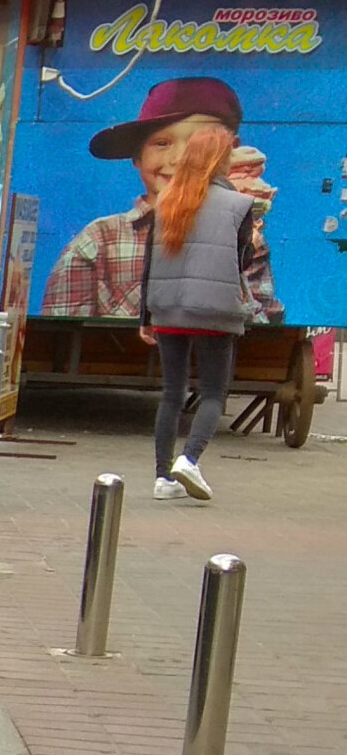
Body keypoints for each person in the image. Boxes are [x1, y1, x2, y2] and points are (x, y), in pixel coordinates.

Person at [42, 78, 281, 324]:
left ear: (228, 155)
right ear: (138, 157)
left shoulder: (243, 235)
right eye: (161, 143)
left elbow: (260, 331)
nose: (178, 159)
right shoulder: (99, 242)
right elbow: (62, 335)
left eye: (197, 146)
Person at [141, 124, 256, 504]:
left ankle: (162, 478)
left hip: (168, 309)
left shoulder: (166, 200)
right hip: (214, 311)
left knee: (172, 394)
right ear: (220, 160)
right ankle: (189, 459)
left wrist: (146, 317)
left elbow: (149, 262)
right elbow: (242, 260)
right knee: (212, 394)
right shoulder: (239, 205)